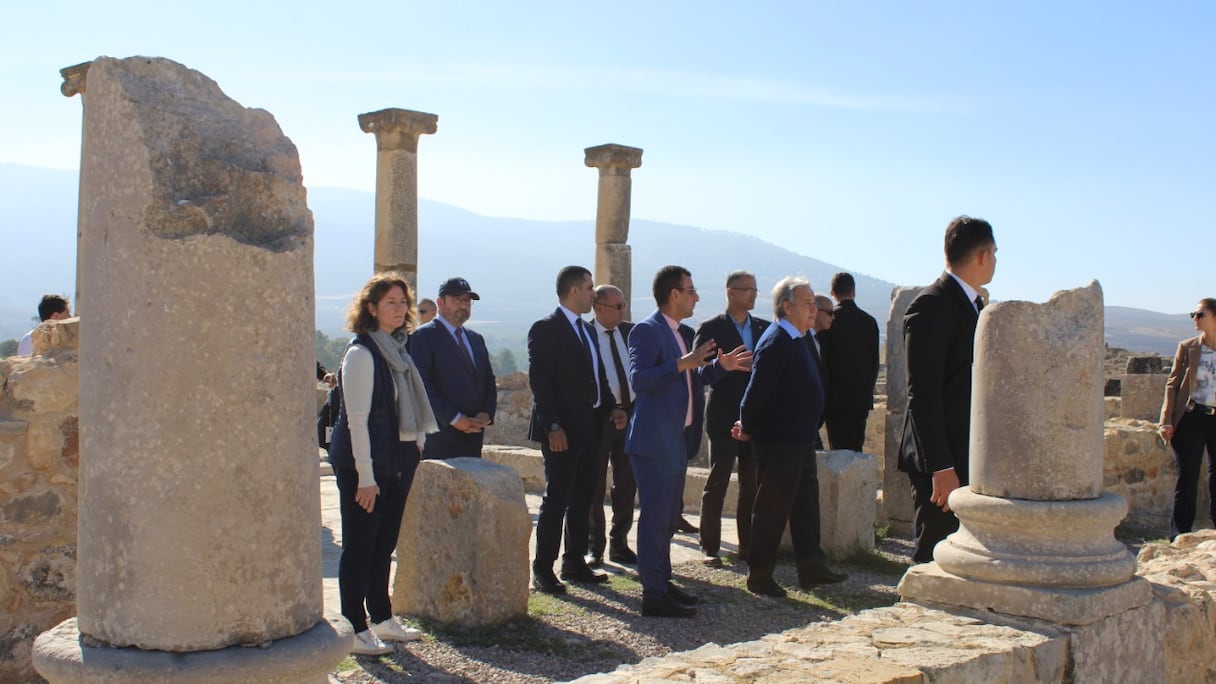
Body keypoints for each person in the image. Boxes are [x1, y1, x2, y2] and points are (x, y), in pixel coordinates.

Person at [627, 265, 750, 617]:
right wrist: (682, 364)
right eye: (691, 290)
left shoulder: (683, 332)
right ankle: (653, 594)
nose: (696, 296)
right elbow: (639, 380)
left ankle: (662, 582)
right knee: (655, 517)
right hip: (653, 441)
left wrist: (717, 368)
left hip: (676, 440)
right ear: (674, 294)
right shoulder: (646, 332)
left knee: (668, 518)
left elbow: (690, 378)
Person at [327, 273, 438, 655]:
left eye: (403, 302)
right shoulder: (361, 354)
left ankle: (382, 618)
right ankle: (355, 629)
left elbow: (407, 404)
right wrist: (366, 478)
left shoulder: (398, 350)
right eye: (390, 302)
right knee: (360, 546)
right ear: (371, 308)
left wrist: (418, 443)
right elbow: (356, 420)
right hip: (366, 464)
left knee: (384, 543)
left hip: (398, 459)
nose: (400, 309)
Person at [734, 277, 847, 597]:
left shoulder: (798, 338)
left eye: (815, 304)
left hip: (801, 437)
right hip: (780, 440)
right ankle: (760, 575)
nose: (814, 309)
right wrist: (747, 426)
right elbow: (754, 394)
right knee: (772, 507)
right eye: (808, 303)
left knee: (805, 505)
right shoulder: (776, 342)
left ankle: (811, 566)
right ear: (787, 306)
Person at [899, 215, 998, 564]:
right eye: (995, 254)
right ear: (983, 256)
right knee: (933, 553)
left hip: (964, 454)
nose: (996, 262)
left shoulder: (974, 306)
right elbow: (922, 393)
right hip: (940, 461)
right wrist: (940, 467)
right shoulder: (932, 305)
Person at [528, 266, 627, 594]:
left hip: (591, 429)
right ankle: (543, 568)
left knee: (584, 498)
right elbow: (540, 383)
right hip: (562, 432)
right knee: (557, 499)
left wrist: (613, 406)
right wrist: (552, 425)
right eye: (589, 289)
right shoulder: (546, 328)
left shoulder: (586, 331)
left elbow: (598, 375)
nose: (593, 295)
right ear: (573, 291)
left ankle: (574, 561)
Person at [692, 270, 769, 566]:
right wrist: (725, 367)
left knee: (752, 484)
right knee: (717, 481)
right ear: (731, 292)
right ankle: (709, 544)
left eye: (755, 289)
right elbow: (697, 371)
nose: (753, 294)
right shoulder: (711, 328)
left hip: (754, 418)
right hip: (723, 415)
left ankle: (747, 545)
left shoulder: (764, 328)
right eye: (747, 289)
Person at [408, 278, 497, 459]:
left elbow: (488, 380)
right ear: (440, 302)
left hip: (473, 440)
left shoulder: (475, 339)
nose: (463, 305)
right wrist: (455, 419)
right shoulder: (422, 337)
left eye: (467, 301)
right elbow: (423, 386)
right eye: (457, 300)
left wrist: (486, 413)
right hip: (439, 441)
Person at [587, 284, 639, 568]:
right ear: (599, 308)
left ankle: (620, 544)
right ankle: (595, 546)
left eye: (624, 305)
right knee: (594, 484)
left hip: (630, 415)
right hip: (599, 419)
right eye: (617, 307)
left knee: (627, 483)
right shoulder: (585, 336)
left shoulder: (631, 333)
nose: (623, 311)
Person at [1159, 298, 1216, 540]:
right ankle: (1179, 535)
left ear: (1214, 317)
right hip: (1191, 418)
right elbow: (1172, 385)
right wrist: (1166, 420)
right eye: (1193, 314)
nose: (1194, 318)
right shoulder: (1188, 347)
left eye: (1199, 314)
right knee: (1188, 478)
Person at [823, 272, 880, 452]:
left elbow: (824, 361)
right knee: (857, 448)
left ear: (832, 292)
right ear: (853, 291)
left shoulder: (829, 321)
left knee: (839, 452)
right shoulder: (869, 322)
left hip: (836, 400)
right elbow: (874, 362)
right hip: (860, 398)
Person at [805, 294, 835, 450]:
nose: (833, 317)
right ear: (815, 311)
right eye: (829, 312)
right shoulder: (802, 340)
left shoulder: (818, 341)